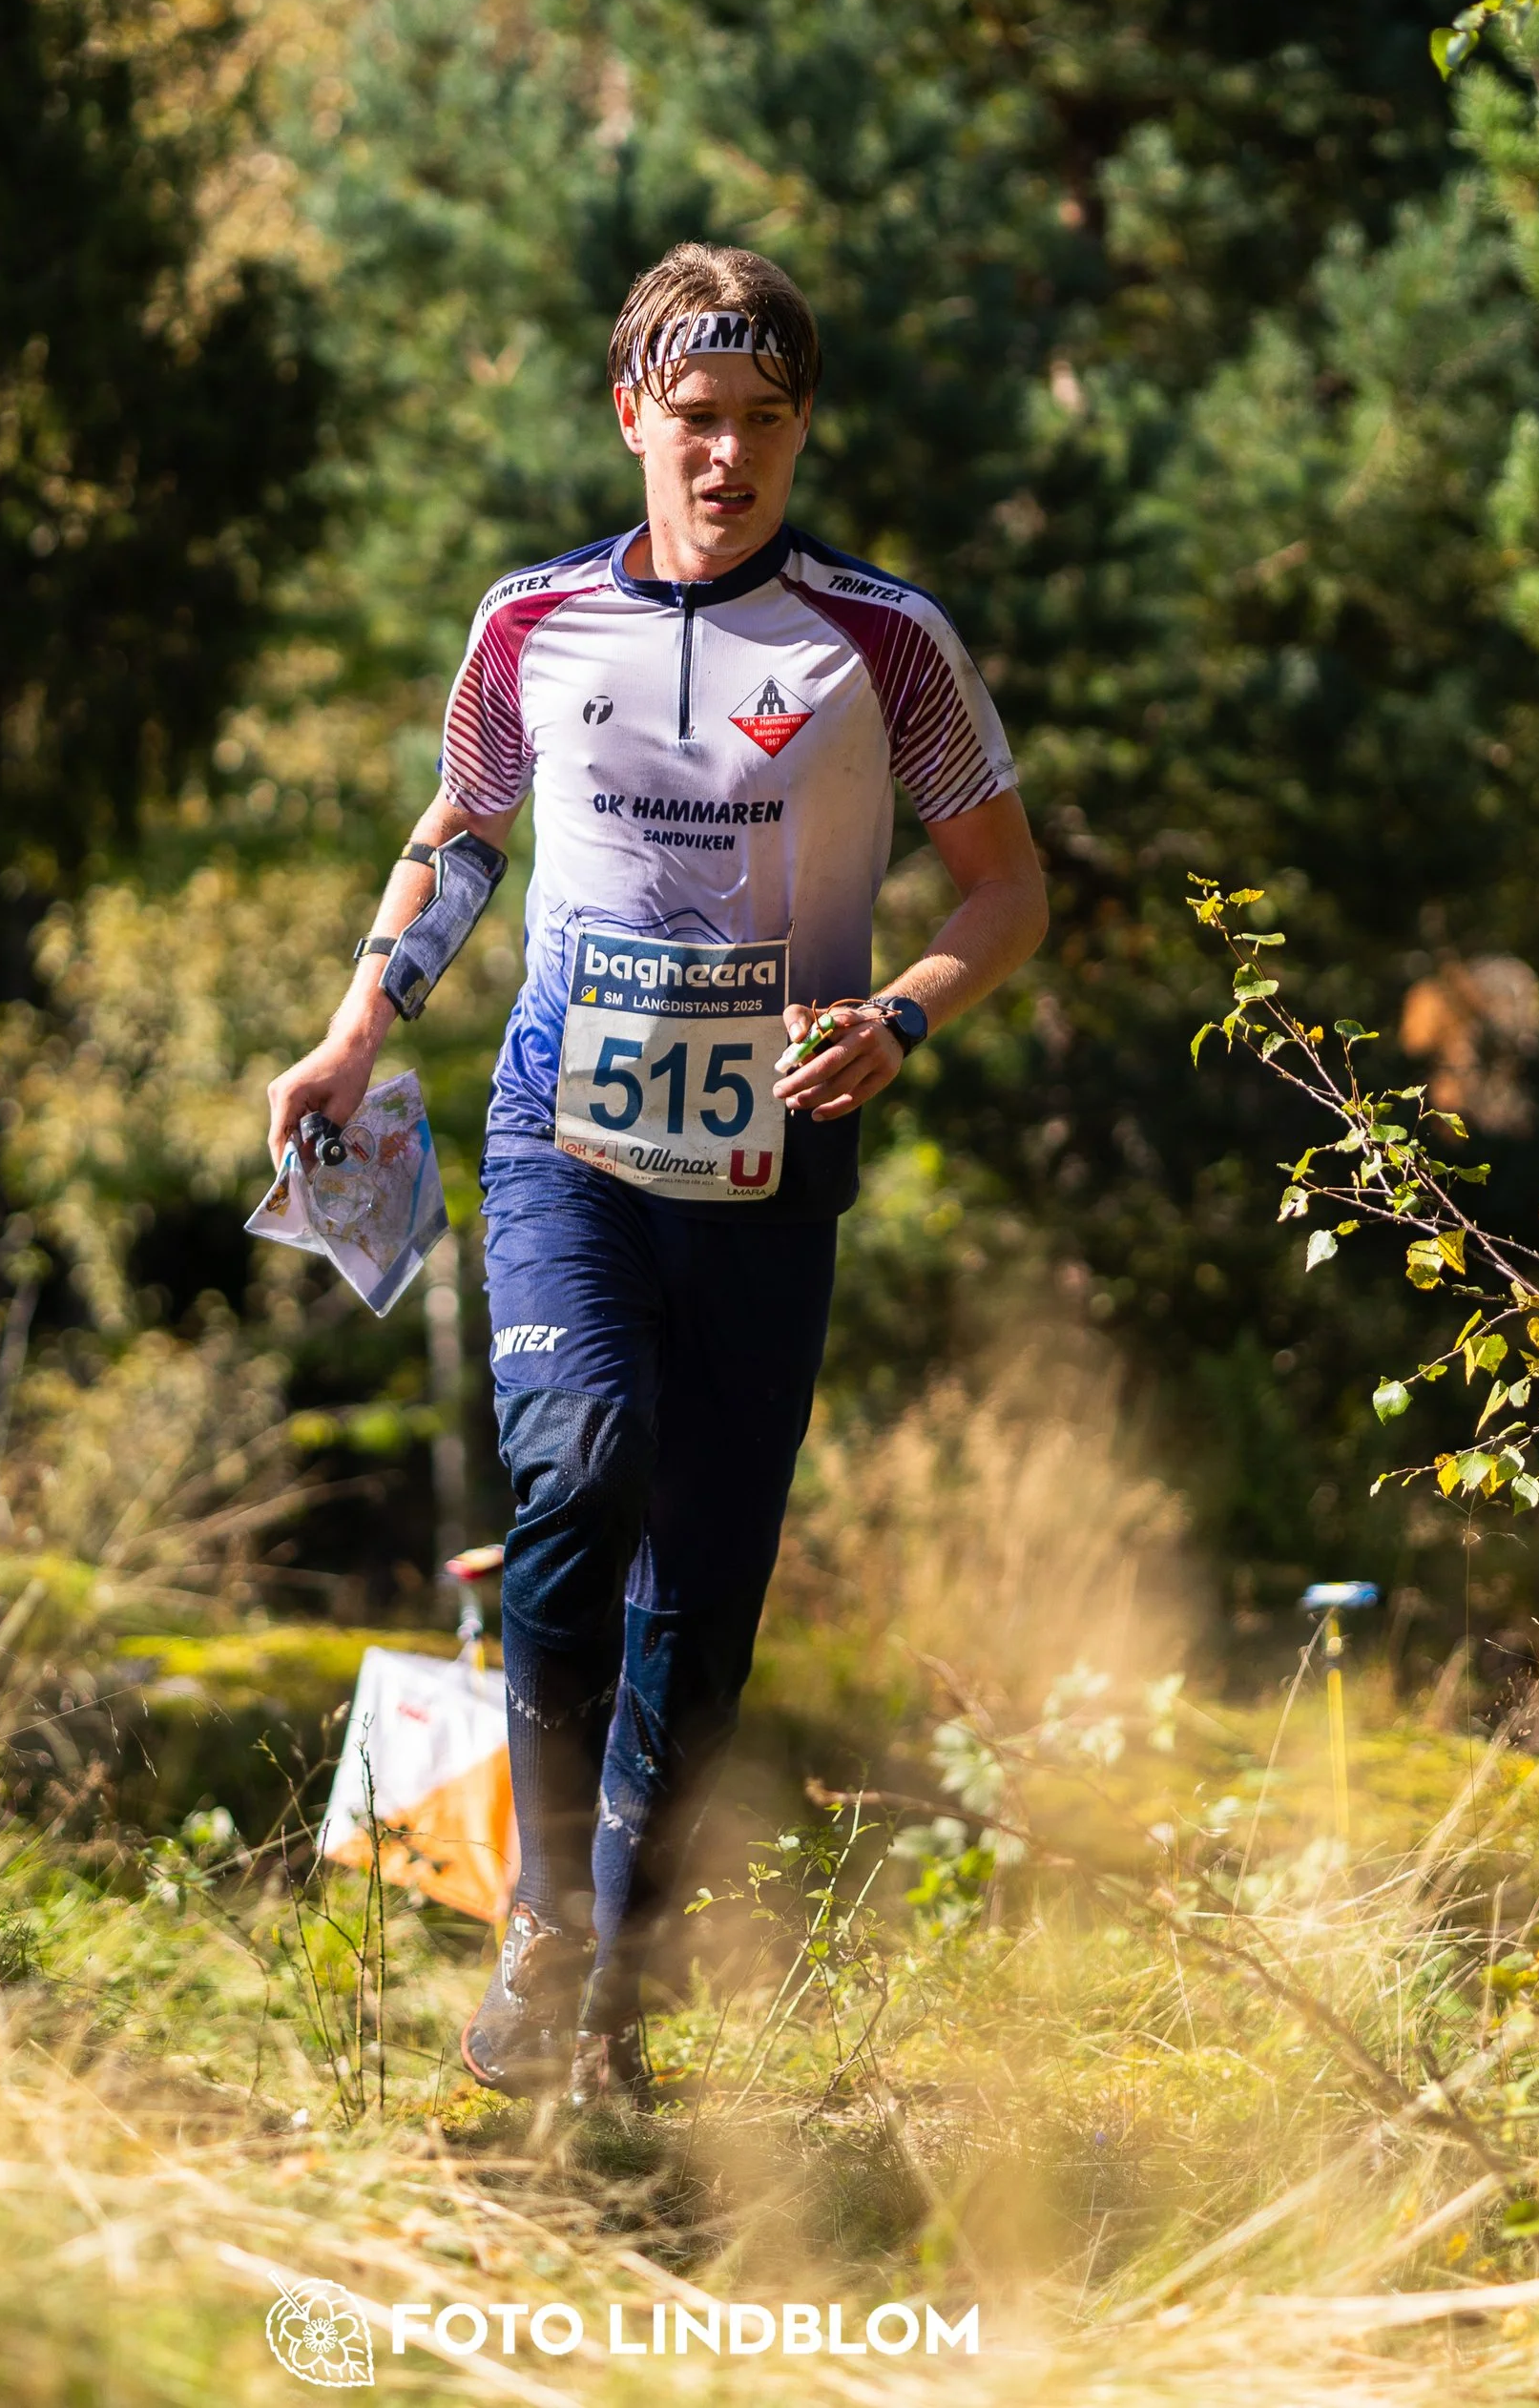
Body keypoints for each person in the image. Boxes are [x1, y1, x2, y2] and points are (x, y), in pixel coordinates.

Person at [266, 242, 1047, 2107]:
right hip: (561, 1118)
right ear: (629, 412)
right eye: (693, 418)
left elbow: (1006, 889)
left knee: (702, 1586)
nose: (726, 457)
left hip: (778, 1142)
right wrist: (359, 1031)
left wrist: (905, 1017)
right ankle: (541, 1911)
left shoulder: (879, 640)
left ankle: (618, 1975)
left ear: (800, 431)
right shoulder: (532, 621)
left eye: (764, 422)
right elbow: (456, 838)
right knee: (578, 1449)